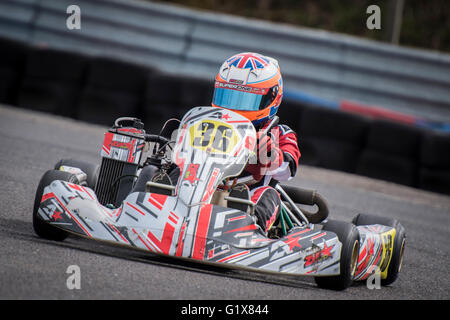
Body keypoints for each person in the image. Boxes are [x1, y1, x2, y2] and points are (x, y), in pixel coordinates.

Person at [211, 52, 301, 235]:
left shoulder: (279, 133)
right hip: (202, 189)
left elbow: (288, 169)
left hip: (248, 198)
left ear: (271, 99)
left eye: (244, 100)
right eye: (228, 97)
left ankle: (250, 229)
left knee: (270, 195)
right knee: (164, 172)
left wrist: (270, 153)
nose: (233, 107)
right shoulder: (207, 125)